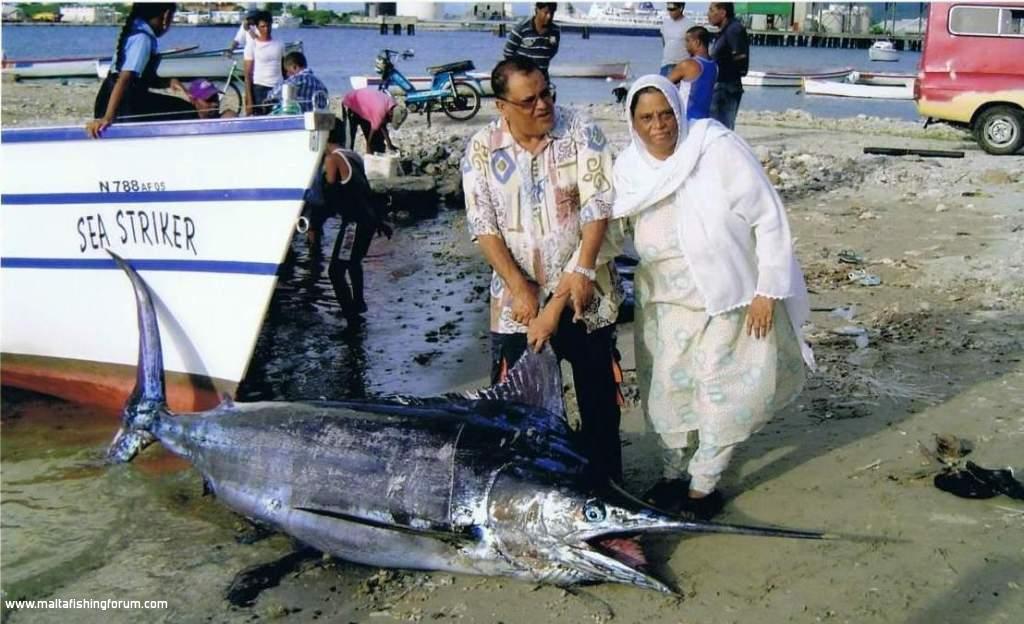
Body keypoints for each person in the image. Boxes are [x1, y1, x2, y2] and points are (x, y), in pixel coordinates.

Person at [612, 75, 814, 519]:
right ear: (633, 122)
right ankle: (672, 475)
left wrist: (767, 288)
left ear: (678, 112)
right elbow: (610, 231)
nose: (659, 125)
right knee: (666, 393)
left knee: (719, 391)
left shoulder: (715, 148)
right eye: (646, 118)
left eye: (666, 114)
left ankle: (703, 486)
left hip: (727, 297)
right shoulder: (628, 169)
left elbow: (769, 217)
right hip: (662, 303)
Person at [461, 57, 624, 485]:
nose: (542, 105)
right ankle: (533, 490)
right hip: (516, 302)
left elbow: (599, 207)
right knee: (520, 406)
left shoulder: (581, 131)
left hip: (583, 289)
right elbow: (482, 223)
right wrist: (518, 286)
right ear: (502, 106)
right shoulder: (481, 147)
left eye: (547, 93)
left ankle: (605, 485)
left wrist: (579, 274)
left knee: (597, 401)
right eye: (529, 100)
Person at [304, 120, 393, 325]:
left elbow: (329, 194)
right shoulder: (352, 155)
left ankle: (350, 317)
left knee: (335, 271)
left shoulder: (332, 159)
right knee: (353, 263)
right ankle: (358, 303)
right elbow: (365, 192)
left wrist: (313, 215)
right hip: (367, 219)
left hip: (354, 223)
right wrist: (380, 221)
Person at [86, 3, 195, 138]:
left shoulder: (136, 32)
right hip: (122, 104)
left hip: (113, 98)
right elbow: (124, 79)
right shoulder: (142, 39)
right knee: (187, 111)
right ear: (166, 16)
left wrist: (168, 82)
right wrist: (108, 117)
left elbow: (138, 80)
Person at [707, 2, 749, 130]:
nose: (708, 14)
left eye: (711, 10)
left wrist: (723, 72)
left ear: (723, 13)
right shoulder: (725, 30)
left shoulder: (733, 30)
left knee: (722, 128)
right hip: (721, 86)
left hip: (726, 87)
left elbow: (741, 58)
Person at [667, 26, 718, 122]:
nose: (686, 46)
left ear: (697, 42)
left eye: (688, 41)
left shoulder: (688, 64)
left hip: (687, 118)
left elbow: (664, 84)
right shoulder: (715, 66)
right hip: (705, 119)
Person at [502, 3, 560, 81]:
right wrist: (521, 70)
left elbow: (552, 51)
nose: (549, 16)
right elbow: (508, 53)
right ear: (537, 10)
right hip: (523, 80)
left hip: (542, 79)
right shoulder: (521, 28)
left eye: (552, 13)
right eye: (546, 13)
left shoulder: (555, 31)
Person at [340, 88, 407, 154]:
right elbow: (374, 130)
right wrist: (368, 146)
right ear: (391, 114)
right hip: (351, 103)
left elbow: (382, 125)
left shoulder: (392, 105)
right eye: (391, 120)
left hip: (366, 107)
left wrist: (390, 145)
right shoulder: (380, 110)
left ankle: (375, 158)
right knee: (348, 141)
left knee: (377, 143)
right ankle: (346, 159)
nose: (389, 122)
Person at [243, 10, 285, 116]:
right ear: (257, 27)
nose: (266, 29)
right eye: (263, 26)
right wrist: (249, 100)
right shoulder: (252, 45)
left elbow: (283, 68)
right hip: (259, 88)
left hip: (278, 88)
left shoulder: (280, 44)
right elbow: (247, 74)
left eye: (268, 26)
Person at [263, 51, 328, 113]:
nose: (287, 74)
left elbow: (271, 96)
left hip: (297, 120)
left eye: (287, 71)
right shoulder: (321, 85)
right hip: (319, 120)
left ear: (294, 67)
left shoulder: (294, 80)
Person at [659, 3, 693, 77]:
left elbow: (693, 47)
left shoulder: (690, 24)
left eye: (672, 9)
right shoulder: (665, 23)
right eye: (668, 9)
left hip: (683, 65)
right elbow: (664, 43)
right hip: (666, 64)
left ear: (681, 8)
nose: (670, 12)